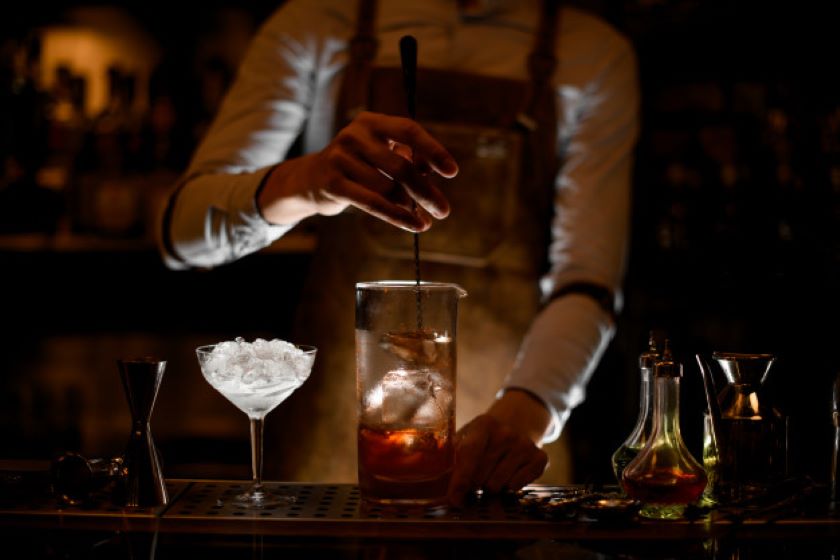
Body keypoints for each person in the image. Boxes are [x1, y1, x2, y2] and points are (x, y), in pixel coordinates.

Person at [159, 0, 639, 505]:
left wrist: (522, 416)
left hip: (501, 462)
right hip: (330, 464)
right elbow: (181, 235)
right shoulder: (319, 23)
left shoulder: (593, 56)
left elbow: (587, 280)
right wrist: (306, 183)